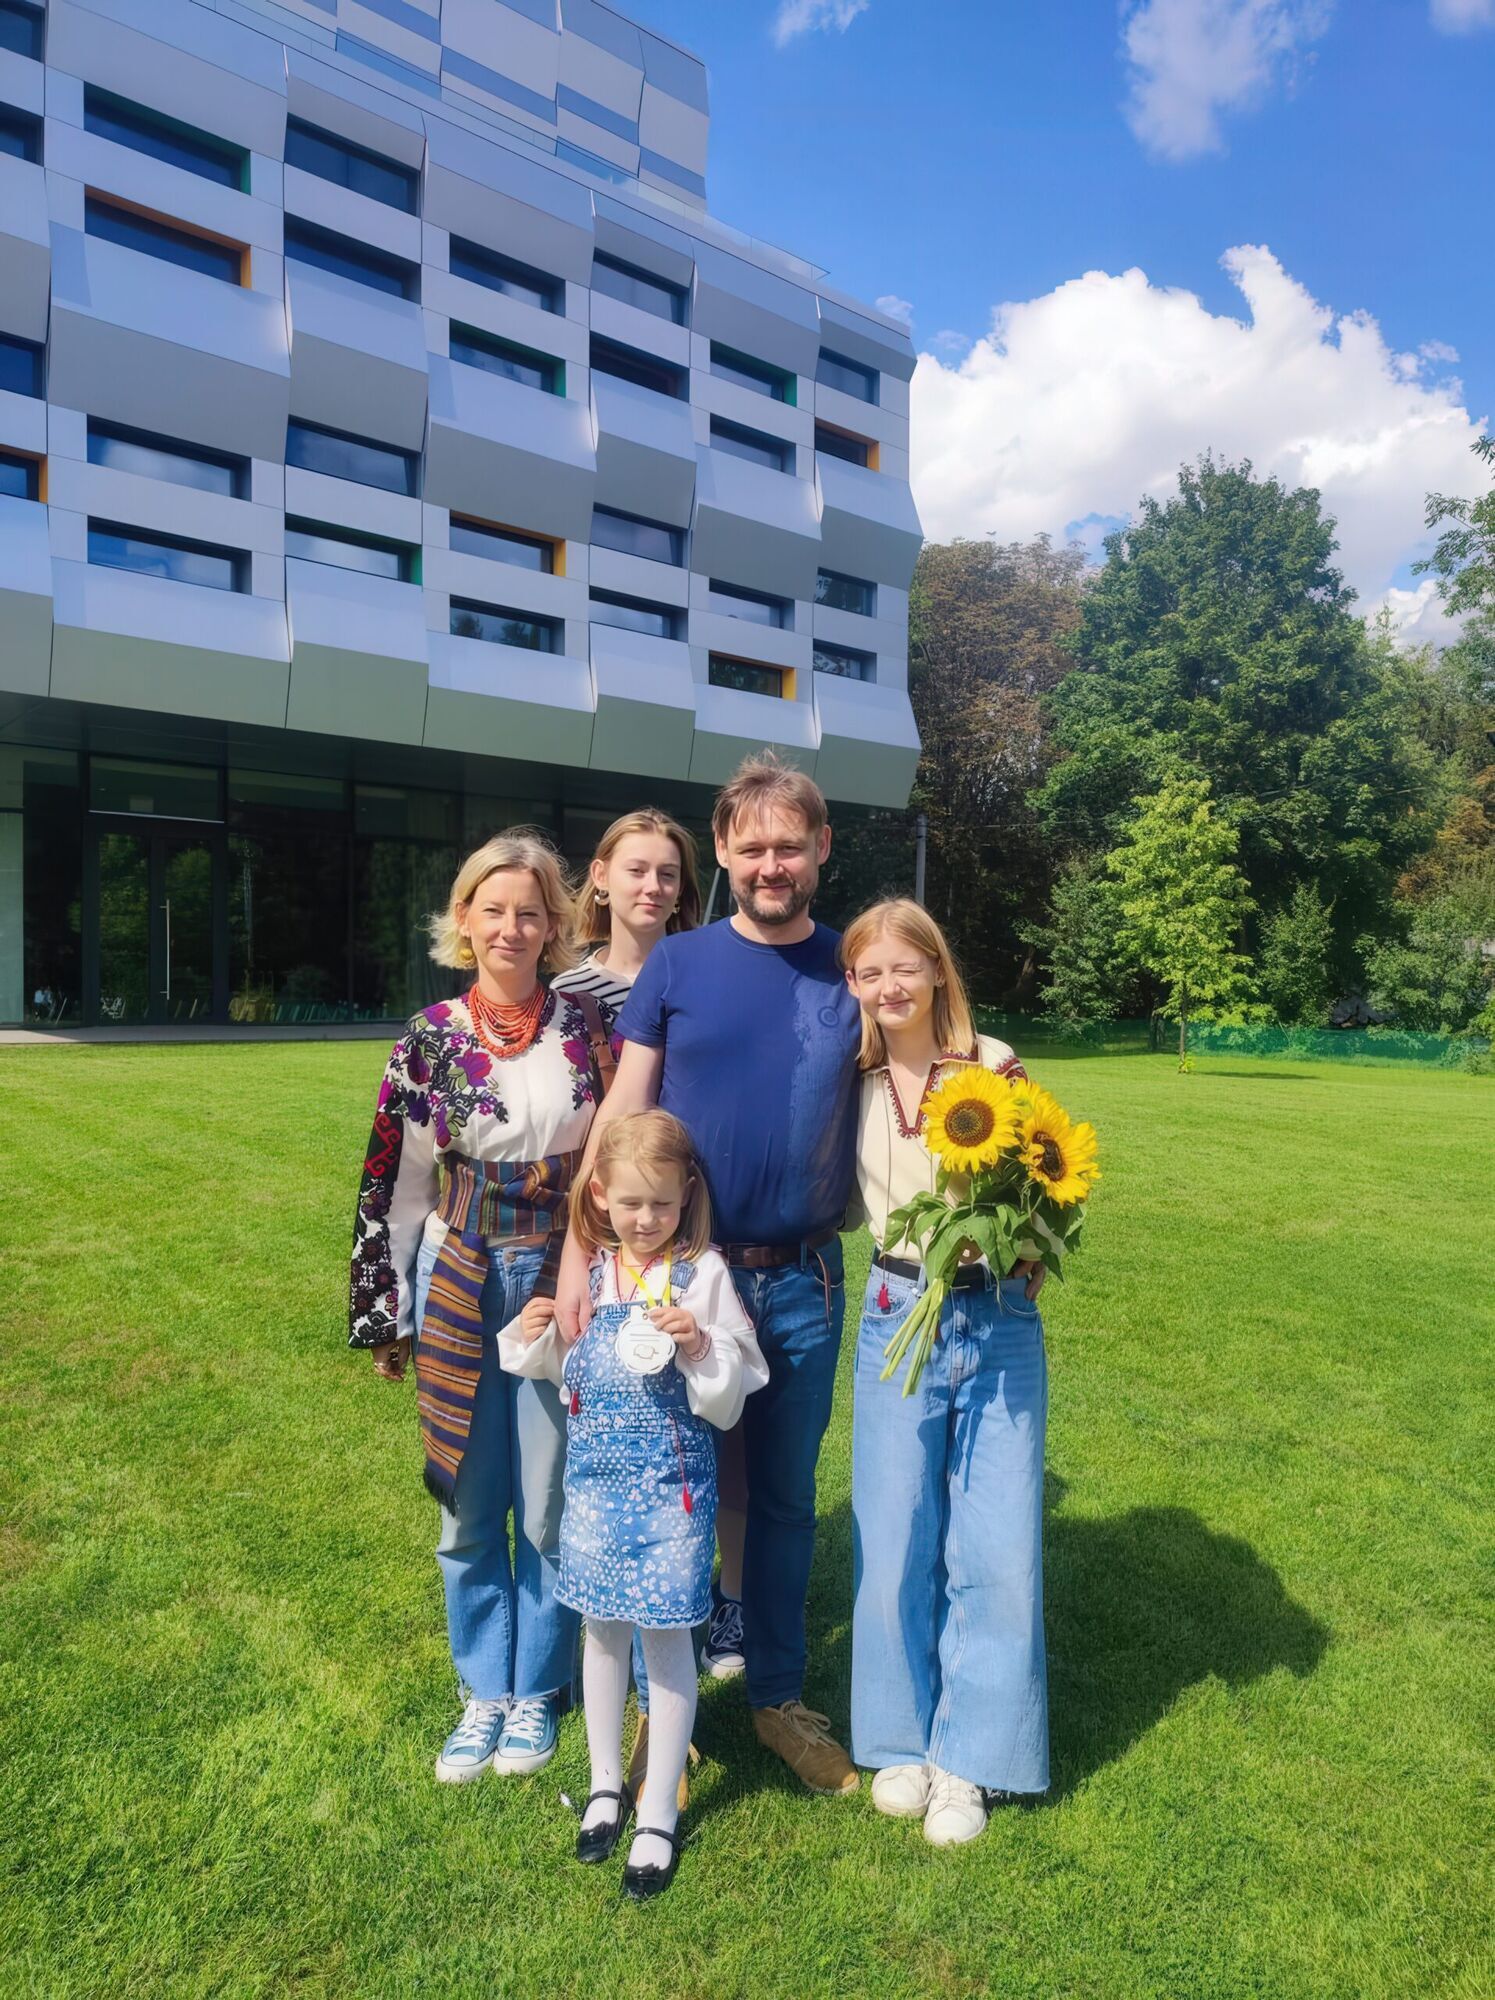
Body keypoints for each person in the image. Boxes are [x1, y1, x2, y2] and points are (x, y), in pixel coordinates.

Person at [556, 752, 863, 1796]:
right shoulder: (677, 967)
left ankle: (777, 1696)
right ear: (722, 852)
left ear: (819, 848)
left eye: (790, 844)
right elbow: (620, 1124)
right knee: (663, 1494)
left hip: (805, 1282)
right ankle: (661, 1719)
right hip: (674, 1284)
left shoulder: (849, 964)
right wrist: (578, 1258)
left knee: (781, 1500)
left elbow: (929, 1045)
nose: (770, 863)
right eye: (751, 845)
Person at [347, 832, 614, 1785]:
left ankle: (537, 1688)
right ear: (464, 918)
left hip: (557, 1274)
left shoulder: (587, 1032)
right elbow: (397, 1180)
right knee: (466, 1494)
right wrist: (389, 1309)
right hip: (457, 1270)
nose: (512, 926)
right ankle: (482, 1691)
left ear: (555, 926)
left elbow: (613, 1164)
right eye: (492, 909)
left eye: (531, 911)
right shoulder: (429, 1038)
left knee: (546, 1498)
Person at [501, 1111, 767, 1897]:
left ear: (686, 1197)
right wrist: (533, 1333)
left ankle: (657, 1811)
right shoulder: (593, 1278)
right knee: (601, 1635)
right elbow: (563, 1376)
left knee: (665, 1641)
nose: (645, 1220)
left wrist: (696, 1346)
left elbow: (728, 1399)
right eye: (628, 1205)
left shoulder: (705, 1277)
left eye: (660, 1204)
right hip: (594, 1494)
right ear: (599, 1202)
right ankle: (604, 1785)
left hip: (669, 1500)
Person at [840, 899, 1048, 1846]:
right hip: (895, 1312)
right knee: (894, 1535)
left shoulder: (993, 1067)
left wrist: (1029, 1244)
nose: (887, 988)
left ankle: (973, 1757)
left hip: (995, 1313)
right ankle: (898, 1742)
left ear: (935, 970)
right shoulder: (851, 1079)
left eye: (902, 968)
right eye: (866, 972)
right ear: (853, 985)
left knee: (995, 1542)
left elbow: (1042, 1178)